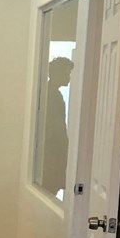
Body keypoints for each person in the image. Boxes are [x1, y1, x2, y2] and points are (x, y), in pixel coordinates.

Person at [42, 55, 74, 199]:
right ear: (57, 73)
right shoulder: (53, 95)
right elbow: (56, 126)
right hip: (52, 153)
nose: (68, 77)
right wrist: (63, 148)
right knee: (49, 189)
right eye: (66, 73)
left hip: (53, 152)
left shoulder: (51, 93)